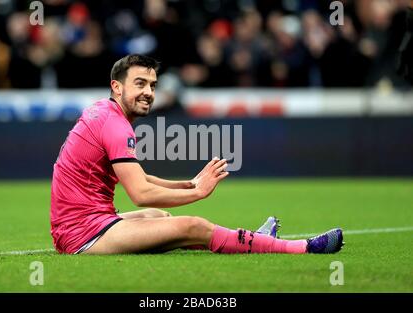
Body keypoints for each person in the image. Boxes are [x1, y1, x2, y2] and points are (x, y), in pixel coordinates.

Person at [50, 54, 344, 255]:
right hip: (83, 235)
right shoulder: (115, 124)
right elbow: (140, 192)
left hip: (84, 225)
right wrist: (199, 193)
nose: (149, 92)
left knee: (160, 216)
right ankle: (305, 247)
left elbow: (135, 176)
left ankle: (251, 241)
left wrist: (186, 185)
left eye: (153, 85)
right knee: (193, 224)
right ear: (117, 86)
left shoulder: (103, 112)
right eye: (139, 84)